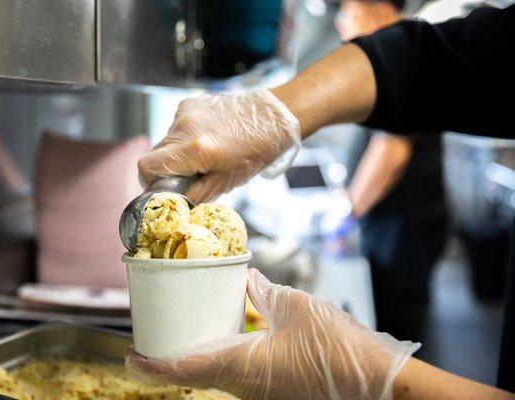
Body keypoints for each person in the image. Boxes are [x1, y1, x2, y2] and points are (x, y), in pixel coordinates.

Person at [126, 4, 515, 400]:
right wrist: (276, 112)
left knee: (404, 319)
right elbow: (432, 59)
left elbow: (398, 137)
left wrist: (377, 380)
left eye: (348, 10)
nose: (340, 21)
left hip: (408, 225)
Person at [336, 0, 447, 341]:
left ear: (382, 11)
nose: (341, 26)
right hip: (398, 225)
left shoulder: (403, 59)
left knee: (396, 339)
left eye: (349, 13)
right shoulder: (393, 60)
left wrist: (345, 214)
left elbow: (392, 151)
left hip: (403, 230)